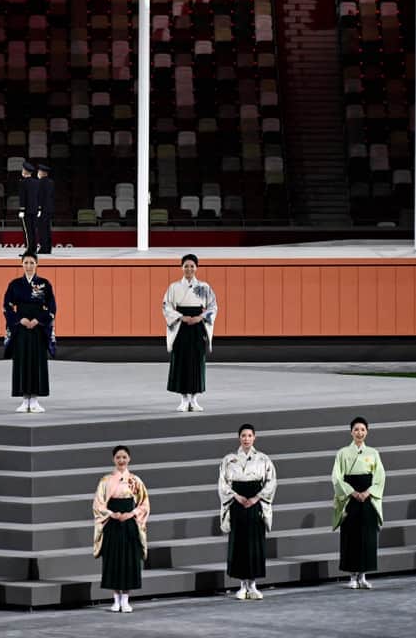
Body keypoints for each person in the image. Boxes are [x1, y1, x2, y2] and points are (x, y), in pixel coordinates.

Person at [218, 424, 277, 600]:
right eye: (243, 435)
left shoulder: (263, 459)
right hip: (237, 503)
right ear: (239, 438)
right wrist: (236, 496)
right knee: (239, 544)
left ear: (254, 438)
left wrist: (256, 498)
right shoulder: (229, 459)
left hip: (256, 503)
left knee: (255, 544)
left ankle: (253, 584)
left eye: (249, 435)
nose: (246, 439)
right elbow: (223, 483)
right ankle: (242, 585)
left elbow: (271, 482)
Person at [92, 445, 149, 613]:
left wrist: (132, 513)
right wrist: (112, 513)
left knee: (129, 560)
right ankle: (115, 599)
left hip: (130, 522)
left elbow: (144, 503)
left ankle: (126, 599)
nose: (121, 460)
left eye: (124, 457)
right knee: (114, 559)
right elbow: (98, 503)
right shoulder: (106, 481)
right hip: (112, 522)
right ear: (113, 460)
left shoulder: (135, 481)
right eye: (118, 457)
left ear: (129, 459)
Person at [331, 416, 386, 590]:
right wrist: (352, 492)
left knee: (367, 536)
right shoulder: (343, 453)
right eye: (356, 430)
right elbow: (337, 477)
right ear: (351, 432)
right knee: (351, 536)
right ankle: (352, 576)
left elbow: (380, 477)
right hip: (351, 498)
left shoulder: (373, 453)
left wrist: (368, 492)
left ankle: (363, 576)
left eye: (362, 430)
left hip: (368, 497)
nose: (359, 433)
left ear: (367, 432)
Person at [162, 253, 218, 412]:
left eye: (192, 266)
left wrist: (200, 317)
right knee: (181, 361)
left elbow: (213, 306)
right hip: (181, 326)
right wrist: (182, 317)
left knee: (196, 362)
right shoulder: (174, 287)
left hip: (197, 326)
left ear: (196, 268)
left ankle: (194, 399)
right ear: (181, 267)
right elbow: (166, 307)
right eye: (186, 266)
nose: (189, 269)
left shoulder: (204, 287)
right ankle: (183, 399)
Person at [3, 251, 56, 413]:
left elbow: (52, 306)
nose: (28, 266)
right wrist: (20, 320)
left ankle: (35, 399)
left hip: (38, 328)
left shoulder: (44, 284)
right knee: (22, 362)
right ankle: (24, 399)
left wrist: (39, 320)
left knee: (37, 362)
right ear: (21, 264)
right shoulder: (15, 284)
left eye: (32, 263)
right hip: (21, 328)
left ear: (37, 264)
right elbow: (7, 306)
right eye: (26, 263)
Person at [17, 161, 39, 256]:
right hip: (34, 209)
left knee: (27, 231)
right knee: (33, 230)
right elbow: (38, 196)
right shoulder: (36, 182)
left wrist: (22, 209)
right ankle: (34, 248)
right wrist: (39, 208)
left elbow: (23, 197)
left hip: (26, 210)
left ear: (25, 171)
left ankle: (29, 250)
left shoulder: (23, 182)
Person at [36, 163, 54, 254]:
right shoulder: (51, 182)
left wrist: (38, 208)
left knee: (42, 229)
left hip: (42, 209)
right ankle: (48, 247)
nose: (38, 173)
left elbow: (40, 197)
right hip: (49, 209)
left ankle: (43, 248)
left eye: (39, 171)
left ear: (43, 173)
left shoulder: (40, 182)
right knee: (47, 228)